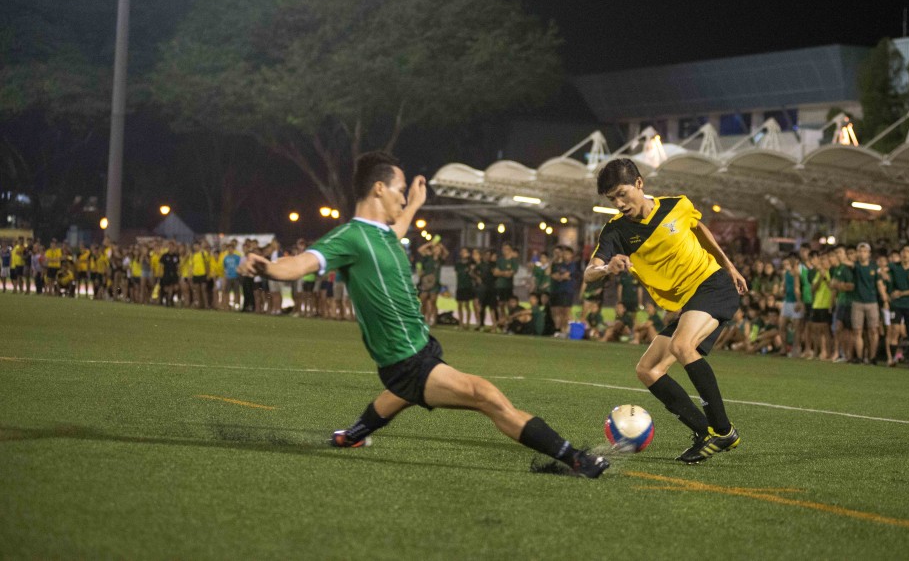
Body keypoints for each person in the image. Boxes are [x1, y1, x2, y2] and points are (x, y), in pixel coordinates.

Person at [239, 151, 608, 478]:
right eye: (400, 190)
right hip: (405, 361)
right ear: (379, 189)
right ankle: (576, 459)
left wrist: (415, 203)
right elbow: (302, 263)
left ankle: (351, 436)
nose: (403, 197)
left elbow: (398, 226)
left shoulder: (385, 234)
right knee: (485, 395)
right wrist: (267, 268)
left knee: (399, 396)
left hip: (420, 347)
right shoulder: (350, 237)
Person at [584, 158, 747, 464]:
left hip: (713, 286)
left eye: (622, 194)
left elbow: (699, 229)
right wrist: (607, 267)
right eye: (612, 199)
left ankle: (723, 431)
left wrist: (730, 266)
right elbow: (589, 272)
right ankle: (704, 432)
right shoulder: (616, 231)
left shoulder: (677, 206)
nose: (619, 204)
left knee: (682, 345)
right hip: (690, 304)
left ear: (639, 183)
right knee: (648, 369)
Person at [454, 247, 475, 329]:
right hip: (460, 286)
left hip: (468, 286)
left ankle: (468, 323)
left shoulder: (470, 264)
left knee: (467, 305)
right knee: (459, 305)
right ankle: (461, 323)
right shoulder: (458, 264)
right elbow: (457, 274)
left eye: (465, 252)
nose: (463, 253)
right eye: (462, 252)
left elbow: (472, 273)